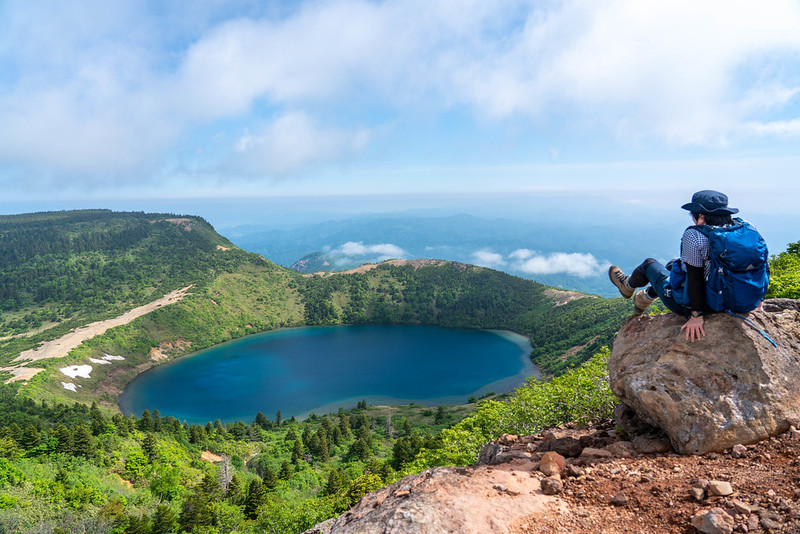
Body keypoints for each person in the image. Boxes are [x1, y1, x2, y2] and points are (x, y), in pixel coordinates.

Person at [608, 190, 750, 343]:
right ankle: (645, 297)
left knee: (649, 264)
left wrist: (696, 316)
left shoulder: (695, 236)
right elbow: (760, 265)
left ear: (701, 216)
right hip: (737, 301)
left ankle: (627, 286)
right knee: (672, 265)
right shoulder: (745, 230)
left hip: (694, 304)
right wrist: (756, 301)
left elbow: (695, 279)